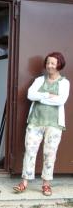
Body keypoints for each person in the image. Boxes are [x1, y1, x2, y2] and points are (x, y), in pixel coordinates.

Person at [13, 52, 70, 196]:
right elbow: (30, 95)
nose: (49, 66)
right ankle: (24, 182)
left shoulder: (64, 82)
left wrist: (40, 97)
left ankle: (46, 184)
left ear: (59, 65)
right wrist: (47, 95)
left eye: (53, 63)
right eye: (48, 63)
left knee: (50, 154)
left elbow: (60, 100)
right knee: (30, 151)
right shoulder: (39, 80)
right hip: (35, 121)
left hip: (54, 124)